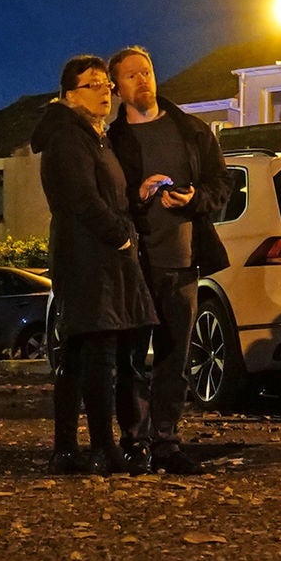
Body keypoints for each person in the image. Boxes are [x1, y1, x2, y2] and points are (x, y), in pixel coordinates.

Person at [104, 45, 230, 474]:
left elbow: (221, 182)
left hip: (182, 258)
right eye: (132, 76)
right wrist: (136, 197)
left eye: (148, 71)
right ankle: (134, 441)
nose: (143, 80)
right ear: (117, 88)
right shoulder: (112, 140)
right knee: (133, 357)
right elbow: (103, 199)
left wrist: (197, 198)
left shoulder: (191, 131)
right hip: (134, 262)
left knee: (176, 355)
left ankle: (167, 441)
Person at [37, 55, 155, 473]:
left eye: (107, 83)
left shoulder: (92, 135)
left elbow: (103, 193)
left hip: (103, 257)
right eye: (93, 84)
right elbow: (81, 199)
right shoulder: (69, 138)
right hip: (88, 257)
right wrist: (119, 234)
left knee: (91, 354)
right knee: (94, 354)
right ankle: (98, 449)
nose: (105, 91)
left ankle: (74, 449)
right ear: (70, 94)